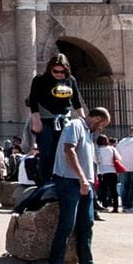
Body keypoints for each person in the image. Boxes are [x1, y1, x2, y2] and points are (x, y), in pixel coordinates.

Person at [45, 107, 110, 264]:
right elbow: (69, 150)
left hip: (85, 182)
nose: (102, 129)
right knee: (67, 223)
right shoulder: (75, 125)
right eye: (102, 124)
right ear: (96, 118)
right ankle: (55, 262)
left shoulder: (88, 132)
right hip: (69, 180)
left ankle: (86, 263)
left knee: (87, 223)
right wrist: (81, 177)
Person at [26, 53, 83, 182]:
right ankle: (45, 182)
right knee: (46, 152)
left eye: (62, 72)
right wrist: (36, 118)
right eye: (55, 71)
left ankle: (59, 179)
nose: (58, 74)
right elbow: (33, 100)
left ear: (67, 70)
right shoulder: (40, 80)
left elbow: (76, 101)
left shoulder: (71, 80)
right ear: (49, 69)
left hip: (64, 120)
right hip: (45, 119)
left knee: (62, 152)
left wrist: (83, 120)